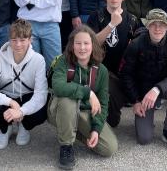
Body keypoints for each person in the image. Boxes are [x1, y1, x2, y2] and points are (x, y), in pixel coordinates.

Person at [48, 25, 118, 169]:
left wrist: (95, 129)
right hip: (60, 108)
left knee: (109, 148)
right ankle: (66, 146)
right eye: (78, 43)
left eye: (86, 43)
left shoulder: (101, 71)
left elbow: (103, 103)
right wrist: (88, 93)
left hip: (84, 112)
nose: (82, 48)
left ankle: (71, 129)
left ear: (93, 45)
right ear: (72, 45)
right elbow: (58, 87)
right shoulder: (63, 61)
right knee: (68, 101)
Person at [120, 9, 167, 151]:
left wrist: (157, 89)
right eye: (153, 24)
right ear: (147, 26)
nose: (157, 28)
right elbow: (126, 75)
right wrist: (135, 101)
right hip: (143, 92)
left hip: (163, 88)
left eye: (161, 24)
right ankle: (146, 121)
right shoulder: (135, 44)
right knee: (144, 138)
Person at [0, 19, 48, 149]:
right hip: (7, 98)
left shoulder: (38, 60)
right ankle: (5, 128)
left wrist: (21, 112)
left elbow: (41, 95)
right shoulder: (1, 57)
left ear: (30, 40)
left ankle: (24, 125)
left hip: (27, 97)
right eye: (14, 40)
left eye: (22, 40)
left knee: (42, 111)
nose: (18, 44)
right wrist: (10, 103)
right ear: (9, 40)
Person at [87, 0, 139, 127]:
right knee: (109, 118)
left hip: (123, 73)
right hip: (101, 70)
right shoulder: (96, 17)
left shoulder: (132, 19)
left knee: (113, 120)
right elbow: (91, 43)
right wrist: (111, 25)